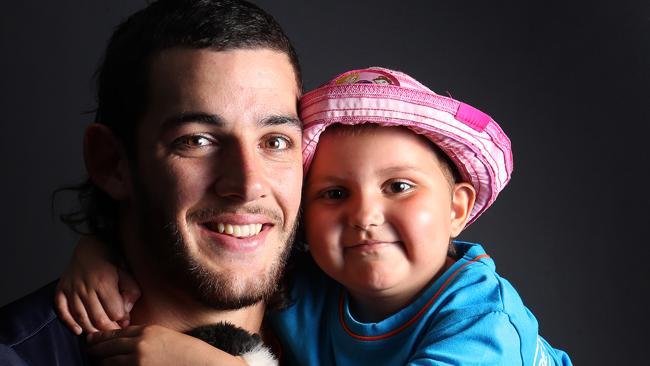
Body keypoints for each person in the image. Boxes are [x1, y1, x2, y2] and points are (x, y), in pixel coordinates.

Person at [54, 67, 574, 365]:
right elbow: (202, 256)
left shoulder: (483, 323)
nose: (365, 214)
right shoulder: (310, 286)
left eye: (398, 186)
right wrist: (98, 252)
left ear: (457, 208)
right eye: (333, 193)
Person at [0, 0, 303, 365]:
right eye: (197, 140)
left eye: (275, 142)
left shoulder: (350, 322)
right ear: (111, 163)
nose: (248, 184)